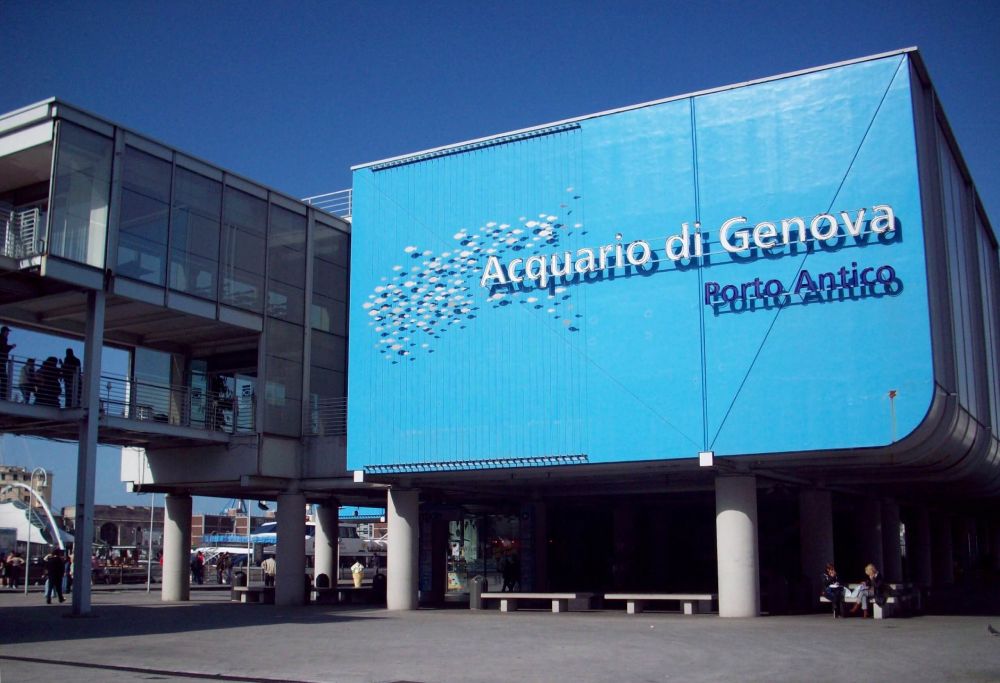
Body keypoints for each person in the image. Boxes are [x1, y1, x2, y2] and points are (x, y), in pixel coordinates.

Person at [0, 326, 15, 400]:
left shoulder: (3, 338)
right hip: (1, 361)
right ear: (4, 332)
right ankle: (2, 396)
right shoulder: (2, 338)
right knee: (4, 379)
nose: (8, 333)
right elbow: (3, 349)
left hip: (2, 361)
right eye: (7, 332)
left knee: (4, 379)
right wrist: (11, 347)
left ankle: (2, 396)